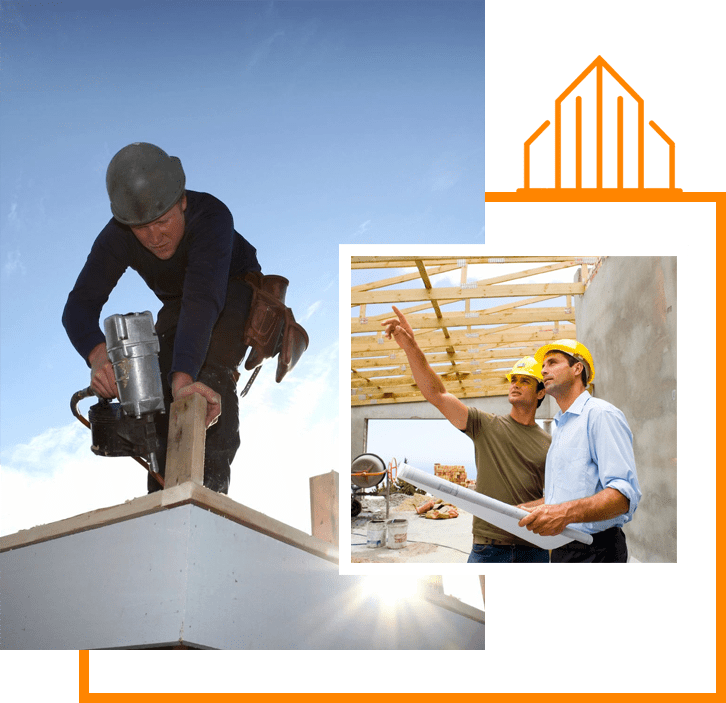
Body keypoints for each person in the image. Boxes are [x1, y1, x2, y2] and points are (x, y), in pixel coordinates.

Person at [62, 142, 262, 495]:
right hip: (182, 303)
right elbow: (77, 307)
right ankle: (162, 497)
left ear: (182, 200)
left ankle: (208, 493)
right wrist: (98, 358)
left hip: (229, 286)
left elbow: (203, 299)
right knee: (158, 390)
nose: (154, 238)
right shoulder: (117, 236)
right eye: (141, 228)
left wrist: (184, 381)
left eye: (163, 222)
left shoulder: (212, 216)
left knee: (202, 372)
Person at [381, 306, 551, 563]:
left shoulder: (550, 443)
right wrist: (411, 347)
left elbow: (559, 496)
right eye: (513, 379)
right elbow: (438, 395)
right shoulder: (485, 425)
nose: (515, 384)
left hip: (534, 548)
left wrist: (531, 508)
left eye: (525, 380)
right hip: (488, 548)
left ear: (540, 393)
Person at [517, 339, 641, 562]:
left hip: (597, 551)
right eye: (543, 366)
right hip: (564, 548)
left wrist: (564, 513)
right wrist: (521, 510)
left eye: (552, 362)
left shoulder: (600, 415)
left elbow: (623, 495)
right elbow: (566, 497)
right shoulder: (563, 425)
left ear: (577, 368)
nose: (544, 370)